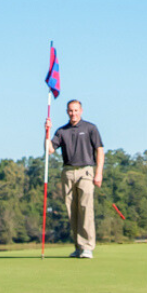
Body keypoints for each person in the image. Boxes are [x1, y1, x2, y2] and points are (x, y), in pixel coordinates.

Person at [45, 99, 105, 258]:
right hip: (68, 172)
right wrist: (47, 131)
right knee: (71, 210)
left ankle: (87, 247)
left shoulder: (90, 128)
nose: (73, 113)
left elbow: (99, 150)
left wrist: (98, 173)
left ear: (81, 110)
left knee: (85, 208)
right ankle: (78, 246)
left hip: (86, 171)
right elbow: (49, 150)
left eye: (76, 110)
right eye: (71, 111)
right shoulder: (61, 131)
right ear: (67, 112)